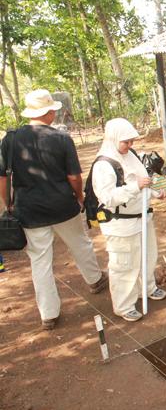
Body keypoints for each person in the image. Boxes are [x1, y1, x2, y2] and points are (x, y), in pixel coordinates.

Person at [0, 89, 107, 330]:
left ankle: (49, 314)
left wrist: (8, 203)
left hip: (29, 209)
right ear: (49, 113)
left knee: (39, 260)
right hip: (62, 205)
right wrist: (79, 197)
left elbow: (3, 178)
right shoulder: (61, 139)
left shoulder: (11, 139)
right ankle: (95, 280)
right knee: (80, 243)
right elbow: (73, 176)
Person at [91, 118, 166, 322]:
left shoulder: (131, 155)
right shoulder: (103, 164)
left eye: (131, 141)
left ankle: (147, 287)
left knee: (147, 254)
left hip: (142, 216)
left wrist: (154, 193)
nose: (130, 145)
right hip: (120, 224)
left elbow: (142, 181)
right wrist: (136, 188)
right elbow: (108, 198)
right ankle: (124, 304)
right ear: (114, 139)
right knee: (124, 264)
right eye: (126, 142)